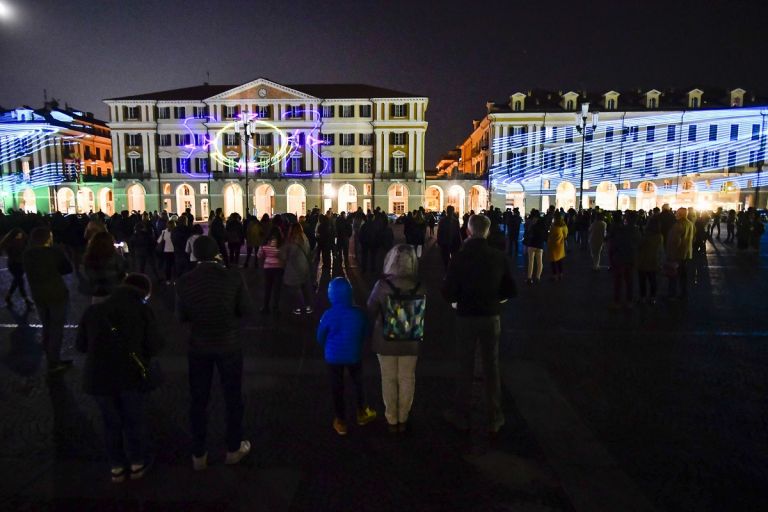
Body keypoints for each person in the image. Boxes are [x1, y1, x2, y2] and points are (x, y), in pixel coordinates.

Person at [175, 236, 253, 470]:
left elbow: (180, 317)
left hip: (199, 346)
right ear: (217, 252)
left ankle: (199, 453)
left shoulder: (185, 280)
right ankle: (233, 448)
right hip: (229, 344)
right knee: (233, 397)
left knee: (198, 400)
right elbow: (246, 309)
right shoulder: (232, 276)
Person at [76, 273, 163, 483]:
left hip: (99, 376)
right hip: (130, 374)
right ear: (144, 293)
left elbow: (80, 346)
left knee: (110, 422)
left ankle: (116, 466)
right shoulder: (142, 310)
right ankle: (137, 462)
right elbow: (155, 345)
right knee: (134, 419)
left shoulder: (93, 311)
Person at [442, 214, 515, 435]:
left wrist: (456, 301)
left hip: (465, 317)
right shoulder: (498, 256)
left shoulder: (459, 258)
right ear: (488, 232)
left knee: (465, 365)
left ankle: (461, 414)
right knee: (491, 365)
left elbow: (448, 292)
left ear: (468, 231)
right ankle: (494, 416)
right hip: (491, 316)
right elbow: (511, 290)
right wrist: (497, 298)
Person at [367, 245, 425, 433]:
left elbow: (370, 309)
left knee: (388, 378)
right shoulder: (420, 285)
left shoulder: (382, 285)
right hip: (411, 340)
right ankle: (403, 417)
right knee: (407, 378)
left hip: (385, 340)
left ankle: (391, 417)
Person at [317, 277, 377, 436]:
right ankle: (362, 413)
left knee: (337, 387)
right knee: (358, 382)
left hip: (333, 357)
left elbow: (320, 335)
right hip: (354, 355)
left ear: (331, 295)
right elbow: (365, 333)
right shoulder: (359, 313)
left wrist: (327, 346)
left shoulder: (328, 314)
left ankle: (341, 421)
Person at [23, 226, 74, 373]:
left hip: (38, 294)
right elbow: (67, 269)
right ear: (47, 237)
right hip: (56, 293)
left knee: (47, 328)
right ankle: (54, 362)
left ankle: (51, 358)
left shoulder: (27, 254)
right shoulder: (53, 252)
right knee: (56, 329)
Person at [83, 231, 128, 303]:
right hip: (115, 292)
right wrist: (123, 254)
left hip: (98, 293)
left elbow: (89, 276)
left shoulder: (89, 258)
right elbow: (124, 270)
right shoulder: (115, 257)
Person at [609, 211, 642, 308]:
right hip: (631, 258)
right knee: (629, 280)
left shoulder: (621, 230)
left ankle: (617, 301)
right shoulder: (637, 231)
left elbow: (614, 244)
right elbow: (639, 245)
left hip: (619, 258)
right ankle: (629, 301)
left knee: (618, 281)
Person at [283, 223, 314, 315]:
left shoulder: (292, 240)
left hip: (295, 266)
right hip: (304, 265)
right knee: (305, 287)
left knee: (296, 288)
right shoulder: (304, 238)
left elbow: (288, 254)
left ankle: (299, 307)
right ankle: (308, 307)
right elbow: (308, 250)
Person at [665, 207, 695, 299]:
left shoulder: (678, 225)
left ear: (680, 214)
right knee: (683, 276)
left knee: (673, 276)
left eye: (677, 213)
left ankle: (672, 294)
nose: (675, 214)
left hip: (678, 254)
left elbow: (675, 241)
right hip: (687, 253)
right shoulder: (690, 224)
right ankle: (683, 293)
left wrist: (670, 254)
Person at [0, 228, 33, 308]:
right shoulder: (12, 243)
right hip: (14, 264)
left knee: (17, 281)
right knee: (20, 280)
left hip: (19, 263)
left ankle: (8, 297)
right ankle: (26, 299)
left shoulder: (19, 242)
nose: (20, 236)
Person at [637, 217, 664, 305]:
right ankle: (653, 297)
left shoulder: (645, 235)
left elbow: (639, 246)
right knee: (653, 280)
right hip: (654, 261)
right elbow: (660, 250)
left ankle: (643, 297)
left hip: (643, 260)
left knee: (642, 281)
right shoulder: (659, 236)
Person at [258, 227, 285, 314]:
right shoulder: (281, 243)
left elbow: (259, 255)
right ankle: (275, 307)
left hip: (267, 268)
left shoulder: (265, 243)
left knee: (267, 288)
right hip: (279, 268)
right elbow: (284, 256)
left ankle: (265, 307)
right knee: (277, 289)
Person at [524, 210, 546, 284]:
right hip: (540, 244)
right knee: (540, 262)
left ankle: (529, 278)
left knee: (531, 262)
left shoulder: (532, 223)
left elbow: (528, 232)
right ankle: (538, 277)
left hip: (532, 243)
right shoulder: (542, 222)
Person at [547, 212, 568, 280]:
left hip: (552, 245)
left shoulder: (553, 225)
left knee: (553, 261)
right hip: (560, 246)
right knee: (559, 261)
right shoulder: (563, 225)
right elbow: (565, 235)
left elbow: (550, 235)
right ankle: (560, 274)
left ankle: (555, 275)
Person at [156, 219, 175, 284]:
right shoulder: (175, 232)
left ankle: (168, 280)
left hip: (166, 251)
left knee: (168, 266)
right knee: (174, 265)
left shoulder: (164, 232)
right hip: (175, 250)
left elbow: (158, 241)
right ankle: (175, 279)